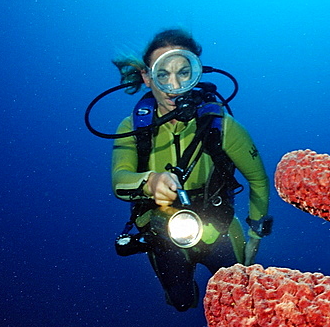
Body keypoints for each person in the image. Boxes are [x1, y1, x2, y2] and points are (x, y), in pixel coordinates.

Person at [110, 29, 271, 311]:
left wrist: (255, 237)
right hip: (161, 234)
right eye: (163, 75)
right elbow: (119, 182)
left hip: (219, 228)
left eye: (184, 72)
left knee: (240, 301)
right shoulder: (133, 128)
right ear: (147, 78)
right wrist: (150, 181)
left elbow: (258, 178)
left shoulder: (223, 126)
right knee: (181, 302)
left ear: (197, 72)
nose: (175, 85)